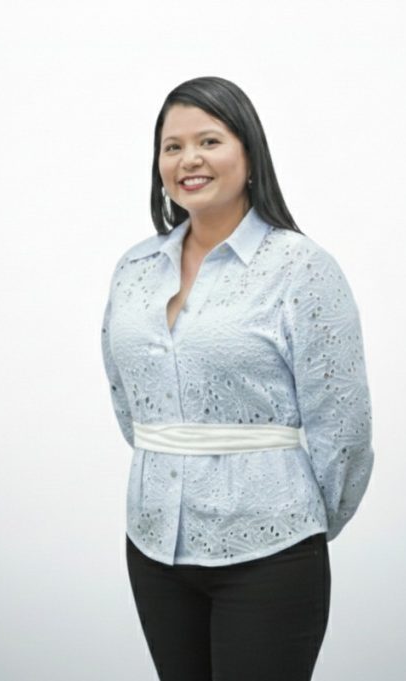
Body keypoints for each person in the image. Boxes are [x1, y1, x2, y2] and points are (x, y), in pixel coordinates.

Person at [100, 76, 375, 681]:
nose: (189, 160)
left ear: (250, 153)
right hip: (154, 545)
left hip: (270, 552)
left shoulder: (300, 268)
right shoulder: (135, 268)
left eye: (209, 141)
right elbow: (129, 402)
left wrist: (299, 523)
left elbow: (344, 429)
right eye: (172, 147)